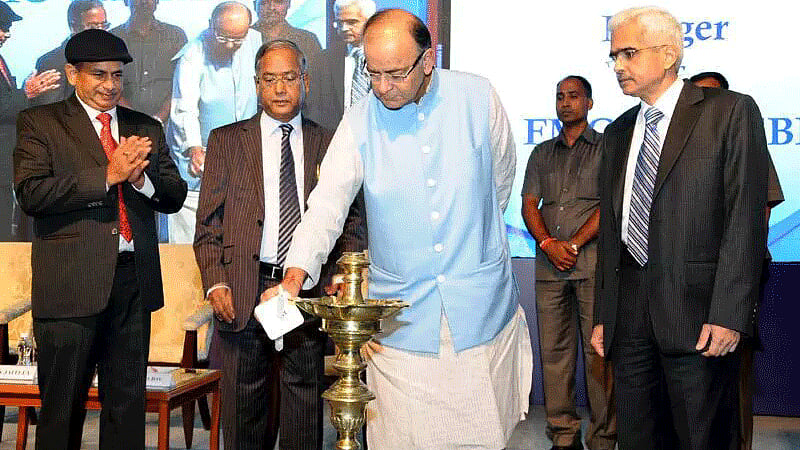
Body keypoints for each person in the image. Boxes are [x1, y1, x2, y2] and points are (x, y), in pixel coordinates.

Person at [264, 9, 533, 449]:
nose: (384, 87)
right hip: (402, 322)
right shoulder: (359, 120)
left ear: (427, 60)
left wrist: (471, 239)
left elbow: (500, 179)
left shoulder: (478, 97)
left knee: (484, 436)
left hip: (480, 311)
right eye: (374, 74)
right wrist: (294, 277)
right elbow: (327, 205)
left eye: (396, 73)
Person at [591, 7, 769, 450]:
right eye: (613, 56)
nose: (618, 66)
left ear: (668, 54)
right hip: (629, 325)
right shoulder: (617, 131)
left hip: (700, 321)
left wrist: (729, 313)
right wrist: (603, 316)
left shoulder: (729, 112)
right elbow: (614, 235)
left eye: (628, 54)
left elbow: (744, 221)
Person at [13, 29, 187, 449]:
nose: (110, 85)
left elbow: (174, 194)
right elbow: (32, 193)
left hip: (132, 283)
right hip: (70, 286)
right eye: (99, 75)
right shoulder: (40, 122)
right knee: (61, 409)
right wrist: (107, 177)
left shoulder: (143, 126)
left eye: (116, 76)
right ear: (72, 74)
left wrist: (141, 179)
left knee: (126, 408)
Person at [195, 39, 365, 450]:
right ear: (256, 85)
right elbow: (207, 224)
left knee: (303, 406)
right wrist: (216, 282)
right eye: (269, 79)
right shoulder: (227, 140)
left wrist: (343, 273)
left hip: (307, 292)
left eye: (289, 78)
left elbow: (352, 218)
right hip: (242, 287)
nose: (280, 88)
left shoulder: (331, 142)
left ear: (304, 82)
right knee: (242, 408)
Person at [689, 71, 784, 450]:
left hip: (737, 273)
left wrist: (737, 262)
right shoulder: (680, 148)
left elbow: (759, 210)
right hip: (689, 276)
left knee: (733, 370)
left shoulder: (747, 141)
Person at [521, 75, 616, 450]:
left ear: (589, 103)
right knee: (555, 354)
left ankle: (604, 437)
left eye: (574, 96)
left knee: (598, 354)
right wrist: (547, 242)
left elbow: (611, 205)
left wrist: (572, 245)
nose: (565, 102)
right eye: (560, 96)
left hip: (592, 266)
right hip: (550, 269)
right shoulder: (542, 152)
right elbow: (530, 203)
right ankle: (562, 435)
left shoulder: (608, 148)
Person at [166, 1, 261, 243]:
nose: (230, 45)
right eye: (223, 37)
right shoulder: (193, 53)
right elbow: (184, 107)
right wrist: (195, 148)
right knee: (192, 233)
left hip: (242, 154)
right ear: (210, 26)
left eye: (238, 39)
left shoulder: (256, 41)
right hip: (201, 156)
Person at [0, 0, 61, 241]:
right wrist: (26, 93)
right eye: (2, 26)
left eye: (8, 28)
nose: (6, 34)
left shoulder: (2, 60)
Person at [111, 0, 187, 122]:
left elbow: (182, 83)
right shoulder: (112, 38)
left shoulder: (175, 36)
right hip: (124, 123)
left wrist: (159, 118)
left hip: (168, 125)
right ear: (126, 1)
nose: (144, 1)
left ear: (157, 1)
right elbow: (109, 84)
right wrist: (135, 120)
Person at [307, 0, 376, 129]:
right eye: (339, 23)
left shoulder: (387, 57)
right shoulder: (324, 59)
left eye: (352, 22)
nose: (344, 28)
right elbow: (312, 106)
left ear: (371, 22)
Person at [31, 0, 108, 107]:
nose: (101, 32)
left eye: (104, 25)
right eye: (93, 27)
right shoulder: (52, 62)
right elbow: (52, 113)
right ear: (74, 27)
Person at [251, 0, 321, 61]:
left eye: (278, 2)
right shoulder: (243, 38)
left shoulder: (307, 40)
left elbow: (316, 74)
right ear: (255, 5)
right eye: (264, 2)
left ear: (288, 4)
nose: (271, 7)